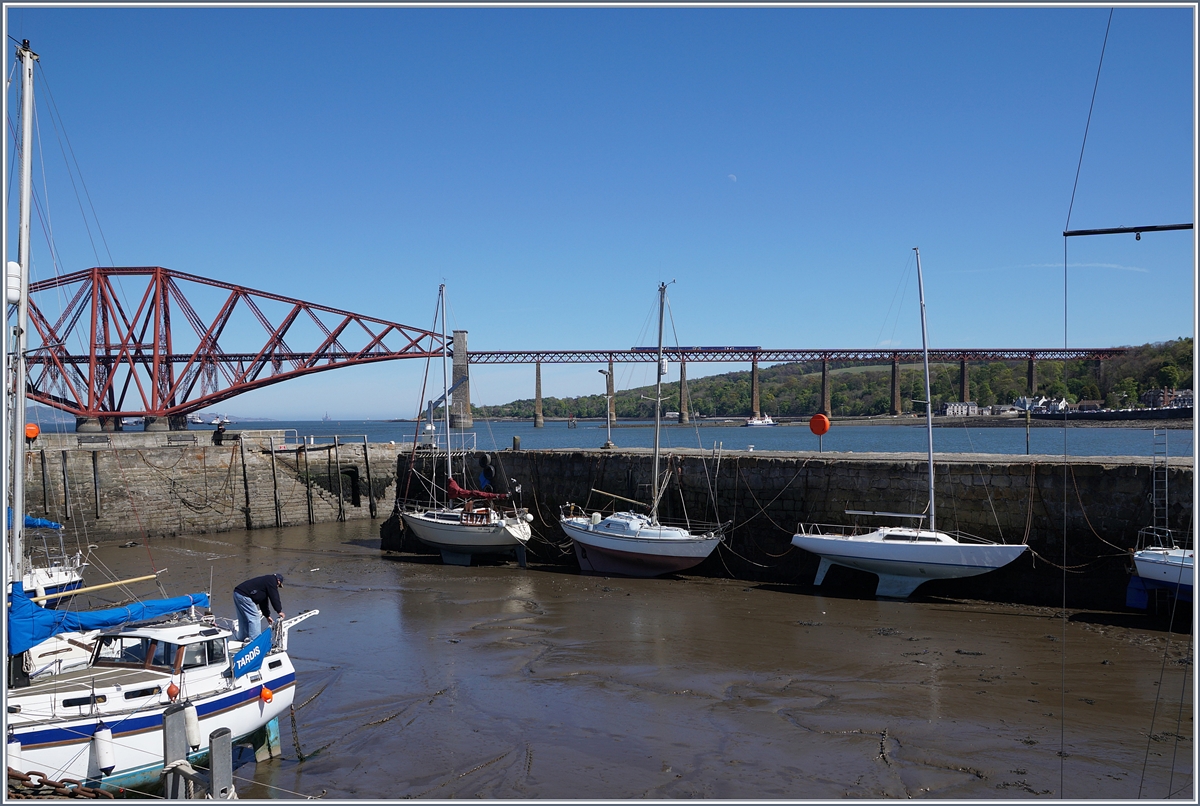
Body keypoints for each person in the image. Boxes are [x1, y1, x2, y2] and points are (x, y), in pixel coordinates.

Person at [233, 573, 285, 641]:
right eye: (278, 585)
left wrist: (267, 616)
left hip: (237, 593)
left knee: (243, 618)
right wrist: (279, 611)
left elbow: (263, 602)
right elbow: (274, 597)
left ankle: (242, 639)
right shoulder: (272, 581)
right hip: (244, 595)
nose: (277, 587)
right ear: (278, 581)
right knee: (255, 617)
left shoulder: (265, 582)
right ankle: (255, 641)